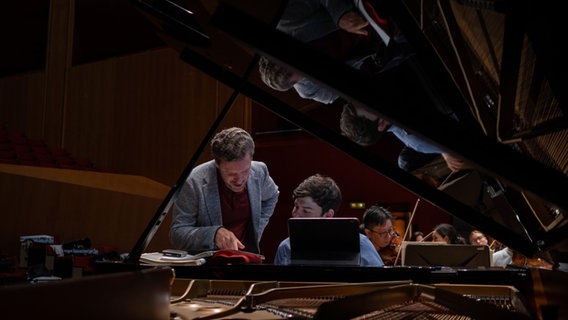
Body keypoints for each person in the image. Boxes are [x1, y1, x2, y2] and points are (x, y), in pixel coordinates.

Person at [169, 127, 280, 254]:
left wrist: (256, 230)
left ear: (251, 159)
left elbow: (272, 196)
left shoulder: (260, 171)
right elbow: (177, 233)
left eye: (245, 171)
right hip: (207, 265)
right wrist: (213, 234)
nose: (239, 180)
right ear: (217, 164)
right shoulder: (194, 181)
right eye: (231, 174)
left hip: (246, 258)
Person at [273, 174, 383, 266]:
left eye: (306, 211)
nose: (295, 215)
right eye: (296, 207)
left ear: (328, 215)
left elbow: (380, 286)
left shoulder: (361, 244)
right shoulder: (286, 247)